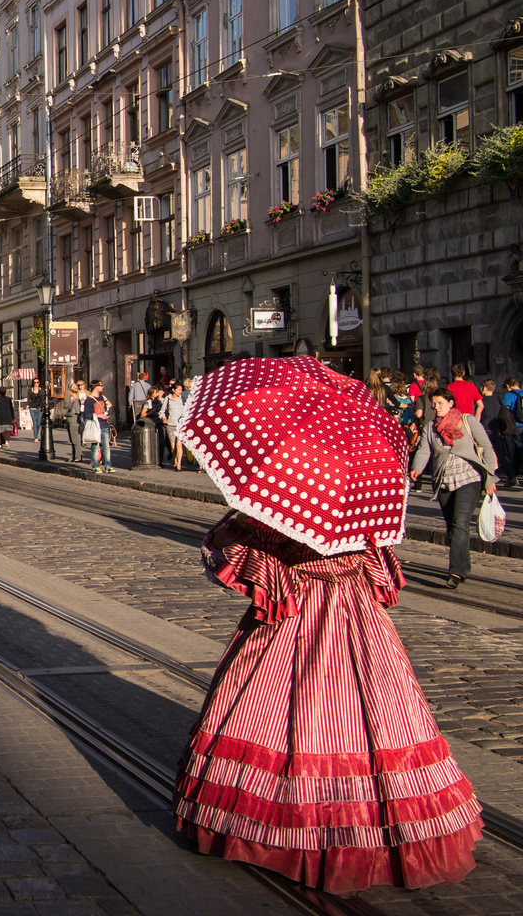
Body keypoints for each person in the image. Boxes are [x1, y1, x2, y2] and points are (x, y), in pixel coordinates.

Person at [174, 510, 482, 893]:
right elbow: (380, 573)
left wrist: (242, 525)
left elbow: (232, 557)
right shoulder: (363, 510)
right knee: (379, 715)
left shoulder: (277, 509)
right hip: (359, 618)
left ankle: (277, 833)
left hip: (295, 619)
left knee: (274, 711)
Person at [410, 387, 498, 588]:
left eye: (440, 403)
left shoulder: (467, 421)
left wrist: (490, 478)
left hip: (470, 478)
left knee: (460, 523)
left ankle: (456, 572)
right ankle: (464, 565)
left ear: (451, 403)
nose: (436, 407)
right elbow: (424, 450)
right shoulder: (431, 428)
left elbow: (487, 446)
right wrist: (417, 468)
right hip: (444, 482)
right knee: (452, 527)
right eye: (434, 404)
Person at [84, 380, 114, 473]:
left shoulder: (102, 397)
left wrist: (106, 414)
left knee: (106, 446)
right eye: (101, 386)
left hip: (104, 425)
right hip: (95, 426)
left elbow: (106, 407)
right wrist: (100, 415)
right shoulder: (89, 399)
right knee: (95, 447)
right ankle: (95, 466)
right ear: (96, 387)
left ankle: (108, 466)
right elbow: (87, 414)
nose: (103, 387)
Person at [163, 382, 185, 469]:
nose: (180, 391)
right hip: (171, 424)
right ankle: (175, 460)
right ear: (173, 390)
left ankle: (179, 464)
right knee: (173, 447)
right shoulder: (168, 399)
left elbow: (186, 411)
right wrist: (164, 418)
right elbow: (162, 411)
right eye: (178, 389)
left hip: (180, 425)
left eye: (181, 390)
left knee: (179, 444)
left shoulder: (183, 399)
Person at [0, 386, 17, 450]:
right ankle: (6, 442)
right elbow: (11, 408)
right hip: (8, 417)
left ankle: (0, 444)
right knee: (7, 431)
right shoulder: (8, 399)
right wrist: (13, 417)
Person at [27, 378, 47, 442]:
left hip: (40, 408)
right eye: (35, 382)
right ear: (33, 383)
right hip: (32, 408)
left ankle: (36, 434)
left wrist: (44, 405)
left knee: (38, 423)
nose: (36, 384)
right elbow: (28, 398)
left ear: (39, 383)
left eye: (37, 382)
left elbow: (44, 398)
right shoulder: (30, 390)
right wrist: (28, 405)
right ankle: (36, 437)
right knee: (34, 422)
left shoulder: (42, 390)